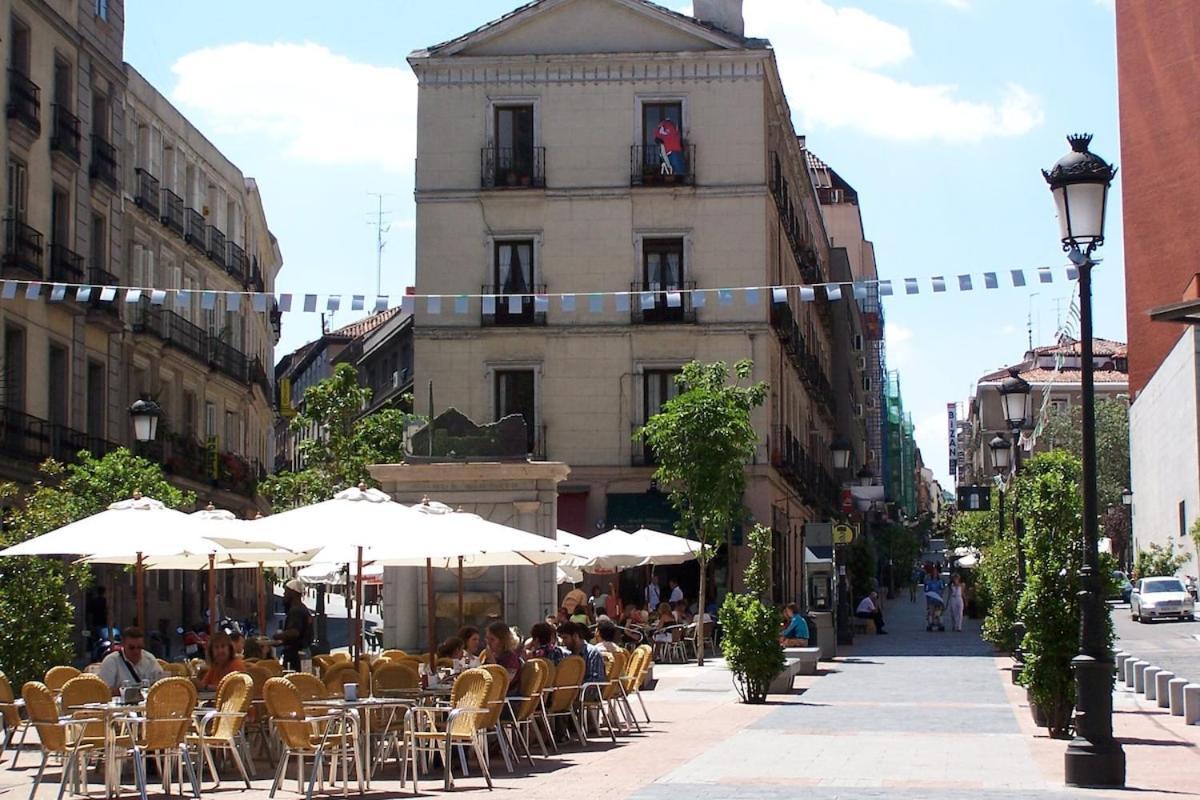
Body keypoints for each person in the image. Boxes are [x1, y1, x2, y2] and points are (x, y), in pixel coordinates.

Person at [97, 627, 165, 696]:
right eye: (131, 648)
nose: (136, 651)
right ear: (122, 645)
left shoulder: (150, 659)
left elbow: (162, 685)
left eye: (139, 647)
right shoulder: (111, 661)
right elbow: (103, 691)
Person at [273, 579, 313, 671]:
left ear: (293, 593)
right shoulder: (303, 608)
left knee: (294, 680)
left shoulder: (296, 610)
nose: (284, 595)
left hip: (295, 656)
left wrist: (278, 636)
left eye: (286, 592)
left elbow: (295, 632)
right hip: (303, 652)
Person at [485, 621, 523, 695]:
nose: (488, 643)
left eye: (492, 639)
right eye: (487, 638)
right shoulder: (494, 655)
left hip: (506, 699)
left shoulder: (511, 658)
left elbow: (504, 682)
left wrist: (492, 662)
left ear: (502, 641)